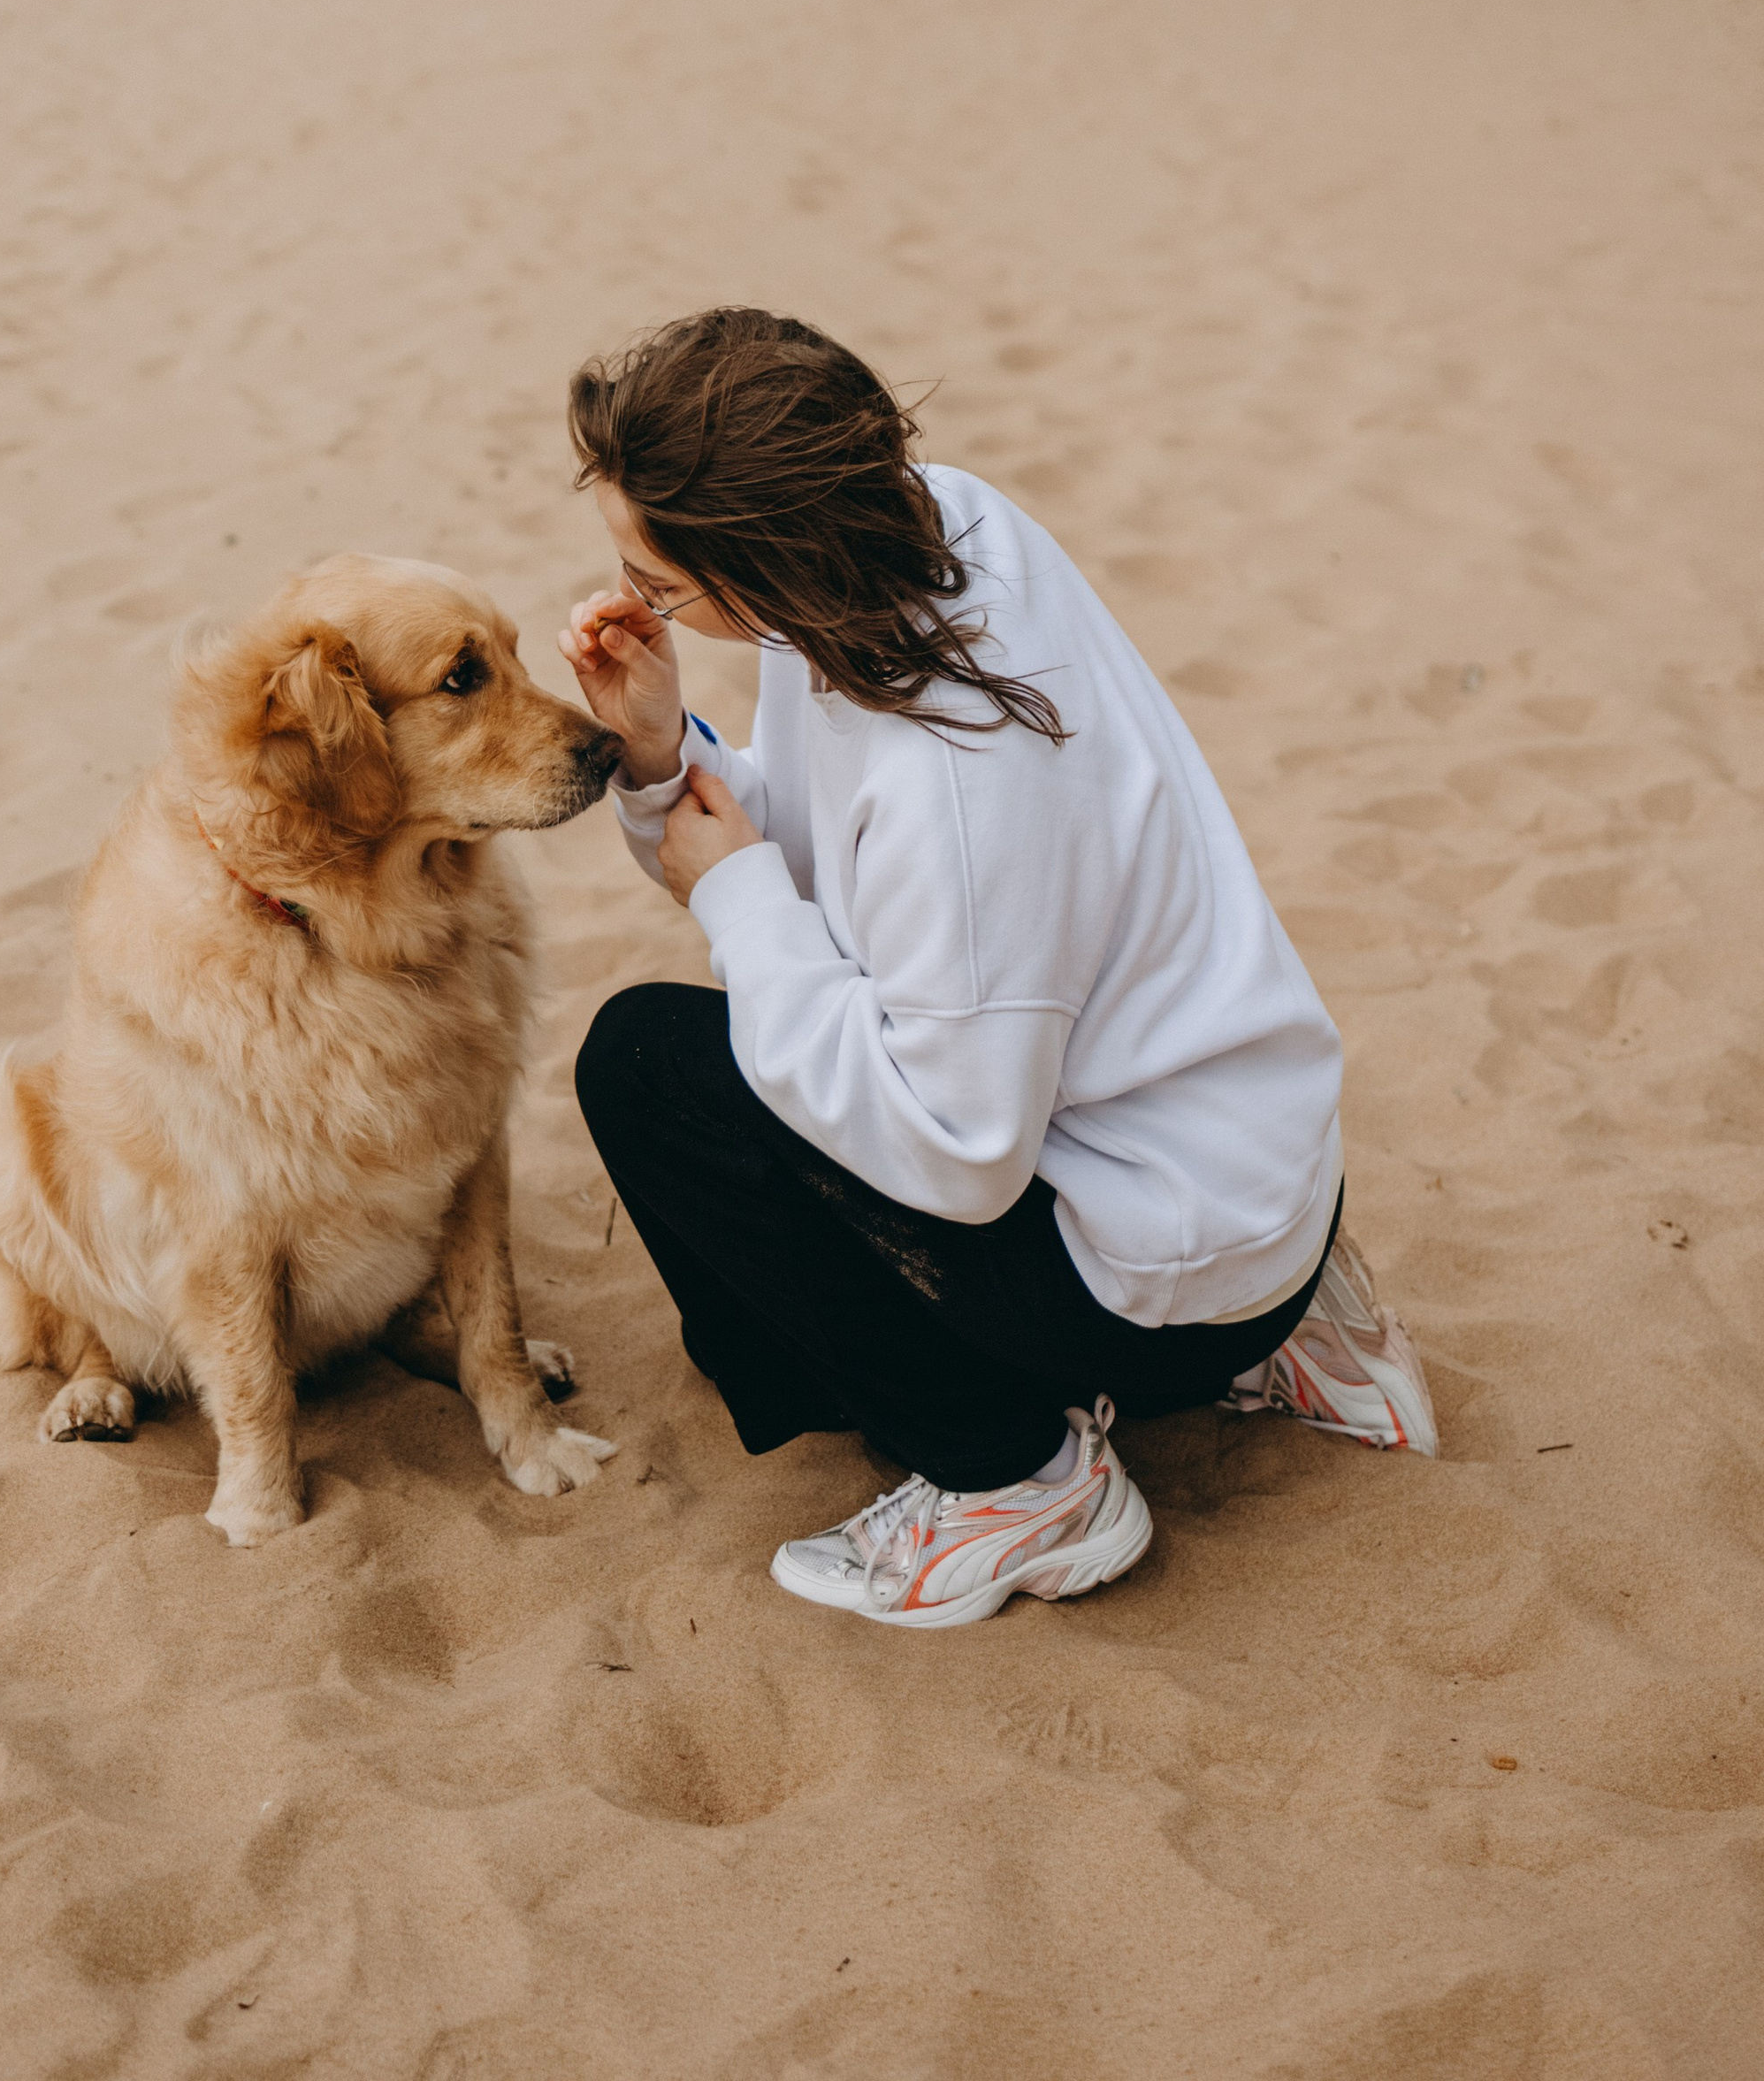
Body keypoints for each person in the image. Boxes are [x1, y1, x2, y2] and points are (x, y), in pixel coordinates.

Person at [560, 307, 1435, 1633]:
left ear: (771, 564)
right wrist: (662, 748)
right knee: (763, 1046)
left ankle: (1016, 1481)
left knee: (646, 1070)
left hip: (1159, 1267)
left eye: (662, 581)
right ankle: (1292, 1325)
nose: (634, 596)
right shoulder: (937, 525)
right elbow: (859, 880)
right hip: (1252, 1173)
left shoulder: (957, 793)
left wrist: (735, 897)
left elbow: (957, 1151)